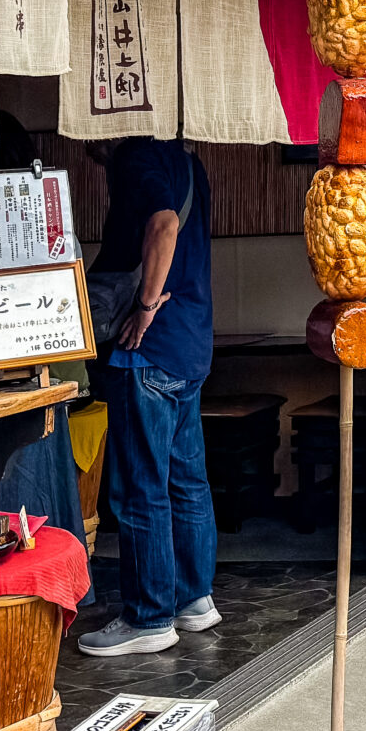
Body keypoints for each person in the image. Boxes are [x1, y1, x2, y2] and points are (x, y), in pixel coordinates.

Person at [78, 134, 220, 657]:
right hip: (190, 344)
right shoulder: (188, 161)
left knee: (141, 485)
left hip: (149, 349)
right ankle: (193, 599)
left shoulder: (136, 157)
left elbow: (164, 226)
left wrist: (144, 306)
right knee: (186, 480)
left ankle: (149, 617)